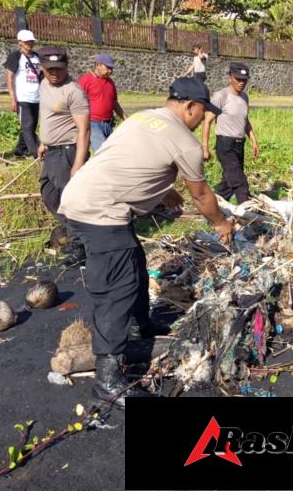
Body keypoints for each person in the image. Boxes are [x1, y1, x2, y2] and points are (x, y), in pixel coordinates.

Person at [59, 77, 234, 408]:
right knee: (117, 288)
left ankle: (141, 329)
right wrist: (221, 223)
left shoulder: (142, 117)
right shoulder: (185, 141)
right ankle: (108, 381)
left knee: (134, 263)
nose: (202, 121)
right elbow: (200, 194)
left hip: (82, 198)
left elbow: (132, 161)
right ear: (190, 107)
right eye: (202, 113)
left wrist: (164, 190)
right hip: (101, 211)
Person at [36, 46, 90, 267]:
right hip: (51, 150)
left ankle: (81, 247)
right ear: (42, 67)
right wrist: (43, 142)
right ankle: (75, 234)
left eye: (59, 68)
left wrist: (78, 162)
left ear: (67, 66)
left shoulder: (74, 91)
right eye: (50, 69)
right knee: (48, 193)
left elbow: (84, 130)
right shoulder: (43, 84)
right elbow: (47, 116)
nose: (55, 73)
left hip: (68, 151)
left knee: (69, 200)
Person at [202, 62, 259, 204]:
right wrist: (205, 147)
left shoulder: (245, 97)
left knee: (228, 182)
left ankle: (212, 204)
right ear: (230, 77)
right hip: (225, 145)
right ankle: (248, 209)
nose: (241, 83)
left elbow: (245, 121)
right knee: (239, 182)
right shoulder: (221, 96)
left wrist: (253, 140)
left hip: (239, 145)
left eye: (244, 80)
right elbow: (207, 121)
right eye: (238, 79)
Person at [77, 54, 126, 152]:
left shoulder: (110, 82)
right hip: (93, 123)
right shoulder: (85, 80)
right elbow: (76, 103)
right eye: (108, 67)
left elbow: (114, 102)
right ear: (98, 65)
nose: (110, 71)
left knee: (111, 152)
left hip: (108, 124)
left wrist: (125, 118)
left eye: (111, 68)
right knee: (102, 152)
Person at [5, 30, 41, 158]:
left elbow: (42, 76)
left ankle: (20, 149)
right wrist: (12, 98)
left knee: (31, 126)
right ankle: (36, 154)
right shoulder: (15, 56)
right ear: (20, 42)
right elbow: (10, 77)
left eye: (31, 41)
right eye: (26, 42)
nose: (29, 44)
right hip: (22, 97)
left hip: (37, 97)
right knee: (27, 127)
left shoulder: (37, 57)